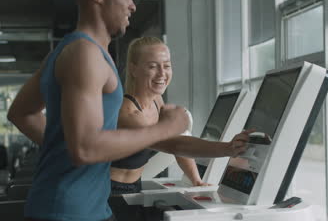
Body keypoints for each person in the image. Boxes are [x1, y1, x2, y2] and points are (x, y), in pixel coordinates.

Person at [7, 0, 192, 220]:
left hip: (80, 207)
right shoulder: (85, 54)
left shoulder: (71, 51)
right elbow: (85, 148)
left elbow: (22, 114)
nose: (133, 5)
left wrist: (65, 148)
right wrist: (164, 128)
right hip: (69, 212)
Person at [108, 37, 252, 221]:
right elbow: (174, 144)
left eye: (166, 66)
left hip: (134, 187)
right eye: (152, 66)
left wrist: (196, 180)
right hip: (113, 194)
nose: (162, 74)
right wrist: (227, 149)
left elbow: (177, 138)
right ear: (133, 69)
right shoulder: (128, 113)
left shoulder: (156, 101)